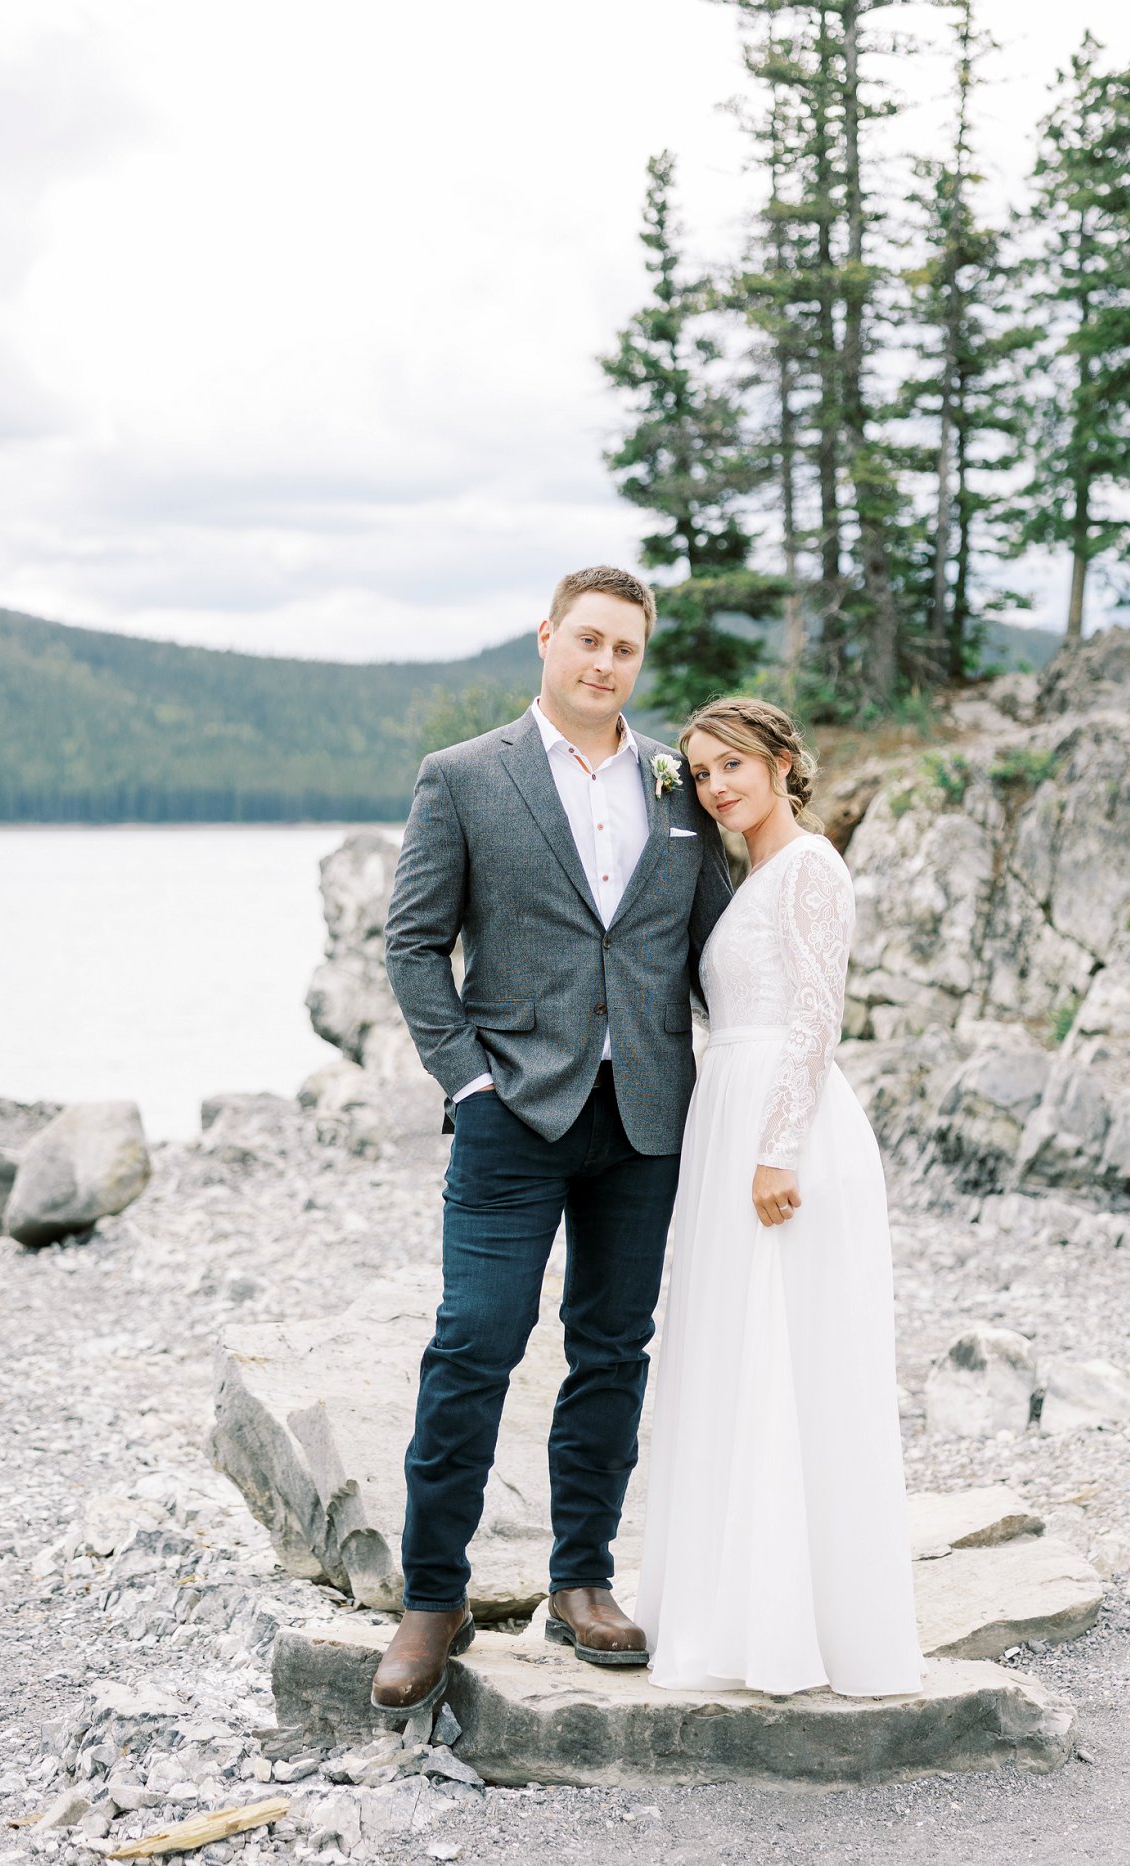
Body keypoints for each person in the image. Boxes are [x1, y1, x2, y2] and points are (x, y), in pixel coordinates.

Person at [371, 565, 732, 1718]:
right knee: (472, 1346)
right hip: (509, 1118)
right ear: (545, 638)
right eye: (586, 640)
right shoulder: (465, 777)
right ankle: (433, 1597)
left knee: (612, 1349)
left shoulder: (682, 784)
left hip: (644, 1124)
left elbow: (720, 943)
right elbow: (414, 945)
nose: (603, 664)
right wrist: (468, 1083)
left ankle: (582, 1580)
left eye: (624, 648)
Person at [635, 696, 926, 1698]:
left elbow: (814, 1013)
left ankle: (789, 1627)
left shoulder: (808, 867)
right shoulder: (743, 873)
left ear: (781, 762)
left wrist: (775, 1150)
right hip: (732, 1113)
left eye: (732, 767)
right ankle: (730, 1604)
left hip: (778, 1129)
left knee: (777, 1354)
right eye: (701, 771)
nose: (715, 787)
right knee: (732, 1351)